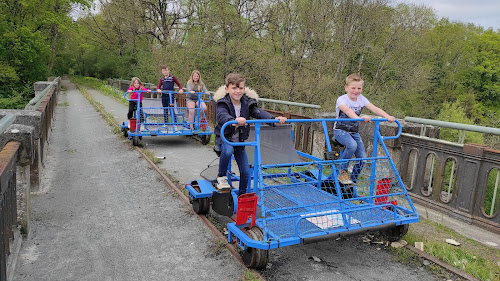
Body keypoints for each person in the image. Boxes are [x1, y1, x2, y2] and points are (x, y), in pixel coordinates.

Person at [214, 73, 287, 195]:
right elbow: (222, 115)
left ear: (244, 89)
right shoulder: (223, 103)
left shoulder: (247, 103)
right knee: (228, 150)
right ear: (227, 89)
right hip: (225, 139)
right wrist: (233, 121)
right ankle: (221, 177)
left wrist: (274, 120)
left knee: (246, 171)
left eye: (241, 88)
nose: (238, 91)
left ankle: (242, 195)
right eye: (234, 88)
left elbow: (258, 112)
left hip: (239, 141)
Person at [334, 73, 395, 185]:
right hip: (340, 131)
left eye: (359, 88)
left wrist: (387, 116)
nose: (356, 91)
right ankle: (342, 171)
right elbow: (347, 111)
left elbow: (374, 109)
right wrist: (360, 118)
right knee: (352, 145)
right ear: (346, 87)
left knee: (363, 158)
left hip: (353, 132)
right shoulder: (342, 99)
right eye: (353, 88)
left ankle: (351, 181)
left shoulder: (361, 99)